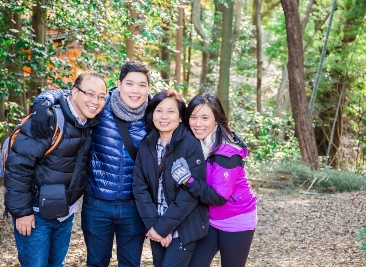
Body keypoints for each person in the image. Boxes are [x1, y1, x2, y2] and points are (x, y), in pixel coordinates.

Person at [30, 60, 151, 267]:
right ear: (119, 84)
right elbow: (68, 95)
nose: (135, 90)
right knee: (96, 262)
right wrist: (42, 102)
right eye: (130, 83)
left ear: (148, 88)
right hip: (97, 204)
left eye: (142, 85)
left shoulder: (154, 113)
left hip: (134, 206)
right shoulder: (100, 106)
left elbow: (184, 115)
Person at [4, 71, 106, 267]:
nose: (95, 101)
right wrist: (22, 212)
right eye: (90, 94)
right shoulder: (48, 120)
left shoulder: (89, 123)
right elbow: (18, 166)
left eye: (101, 97)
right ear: (75, 92)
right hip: (35, 216)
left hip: (65, 213)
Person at [172, 93, 257, 267]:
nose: (198, 123)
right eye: (193, 117)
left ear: (216, 120)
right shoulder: (199, 144)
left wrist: (188, 181)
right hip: (211, 219)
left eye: (205, 117)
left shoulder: (226, 153)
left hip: (237, 219)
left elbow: (219, 196)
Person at [132, 90, 209, 267]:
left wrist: (163, 228)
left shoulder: (190, 144)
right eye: (159, 111)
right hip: (155, 224)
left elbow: (189, 194)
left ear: (181, 117)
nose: (164, 116)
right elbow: (140, 187)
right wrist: (154, 227)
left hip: (183, 227)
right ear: (152, 115)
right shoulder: (146, 144)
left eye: (171, 111)